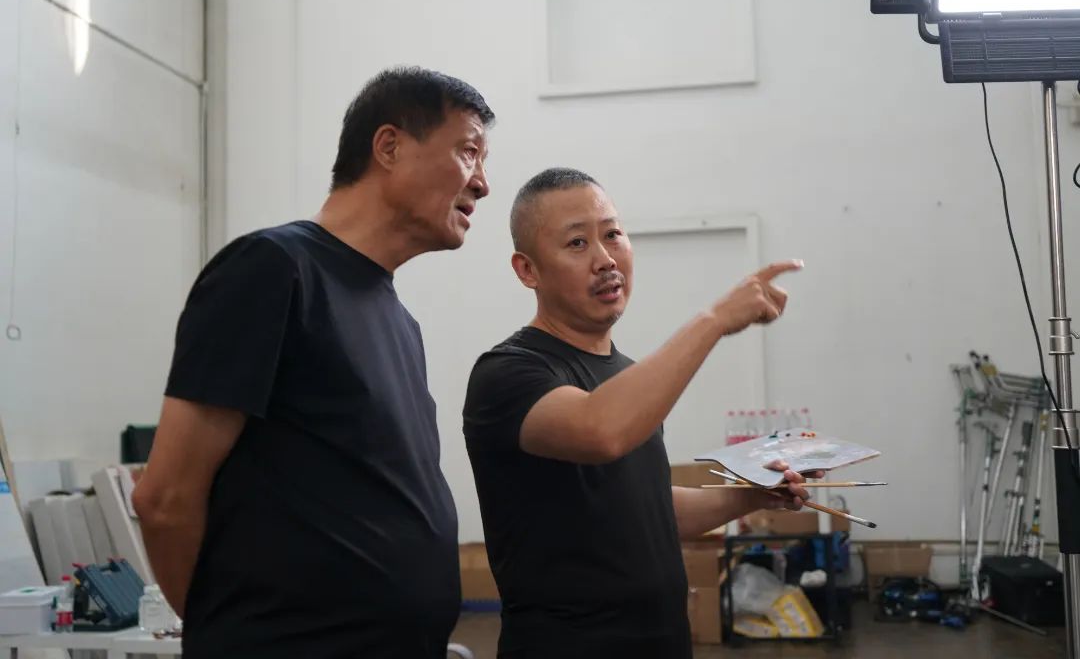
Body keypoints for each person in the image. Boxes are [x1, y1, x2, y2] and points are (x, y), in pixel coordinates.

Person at [132, 67, 494, 658]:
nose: (482, 183)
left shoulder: (399, 321)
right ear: (389, 146)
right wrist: (226, 630)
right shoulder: (273, 269)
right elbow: (165, 499)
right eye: (469, 151)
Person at [463, 168, 814, 658]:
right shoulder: (507, 374)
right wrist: (714, 320)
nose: (605, 259)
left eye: (613, 235)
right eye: (577, 243)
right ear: (528, 270)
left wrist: (751, 496)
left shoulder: (625, 375)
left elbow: (648, 507)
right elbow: (600, 431)